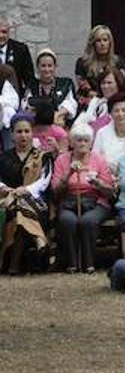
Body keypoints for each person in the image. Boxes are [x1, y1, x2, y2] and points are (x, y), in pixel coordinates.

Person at [50, 121, 115, 272]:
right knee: (68, 220)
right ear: (72, 142)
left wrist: (97, 183)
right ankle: (72, 263)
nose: (82, 144)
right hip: (68, 201)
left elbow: (110, 191)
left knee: (88, 221)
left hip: (96, 201)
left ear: (91, 143)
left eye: (86, 140)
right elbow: (56, 190)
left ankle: (89, 263)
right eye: (78, 140)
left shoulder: (98, 160)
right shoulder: (62, 160)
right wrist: (69, 174)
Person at [0, 116, 53, 273]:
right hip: (7, 200)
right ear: (13, 134)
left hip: (36, 202)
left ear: (32, 133)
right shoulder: (4, 158)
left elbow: (45, 181)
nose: (23, 135)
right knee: (15, 210)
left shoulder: (43, 156)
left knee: (19, 208)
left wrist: (27, 189)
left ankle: (13, 264)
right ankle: (39, 240)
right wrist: (4, 188)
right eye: (19, 132)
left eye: (26, 131)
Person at [24, 48, 78, 132]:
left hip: (60, 128)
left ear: (55, 66)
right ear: (37, 67)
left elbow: (70, 105)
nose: (47, 69)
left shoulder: (65, 83)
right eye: (43, 66)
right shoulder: (32, 85)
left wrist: (58, 115)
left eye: (50, 66)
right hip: (36, 128)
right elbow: (27, 107)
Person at [73, 24, 125, 111]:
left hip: (113, 102)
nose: (102, 44)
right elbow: (84, 89)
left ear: (110, 42)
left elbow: (121, 86)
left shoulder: (119, 62)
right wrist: (101, 97)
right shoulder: (82, 63)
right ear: (93, 43)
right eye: (98, 40)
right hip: (88, 104)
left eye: (105, 40)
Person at [91, 92, 125, 168]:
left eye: (124, 110)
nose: (120, 114)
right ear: (110, 113)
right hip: (107, 174)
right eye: (116, 111)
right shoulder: (102, 133)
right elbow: (95, 159)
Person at [0, 18, 36, 97]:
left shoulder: (20, 50)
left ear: (9, 33)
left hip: (14, 98)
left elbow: (29, 78)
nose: (1, 35)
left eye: (4, 32)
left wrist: (29, 97)